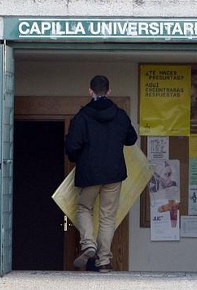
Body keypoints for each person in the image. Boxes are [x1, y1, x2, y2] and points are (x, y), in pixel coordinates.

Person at [65, 75, 138, 273]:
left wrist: (78, 156)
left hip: (89, 173)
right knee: (108, 216)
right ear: (109, 91)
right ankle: (103, 261)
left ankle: (88, 243)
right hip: (114, 173)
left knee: (84, 208)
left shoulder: (82, 117)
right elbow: (132, 139)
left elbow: (72, 147)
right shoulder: (120, 115)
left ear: (90, 91)